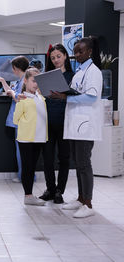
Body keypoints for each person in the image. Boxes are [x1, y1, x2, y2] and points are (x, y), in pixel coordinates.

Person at [51, 36, 103, 218]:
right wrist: (62, 94)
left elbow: (91, 97)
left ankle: (88, 204)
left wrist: (66, 98)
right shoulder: (79, 72)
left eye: (81, 51)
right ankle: (81, 198)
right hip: (75, 124)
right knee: (78, 163)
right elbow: (75, 92)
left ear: (89, 52)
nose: (77, 55)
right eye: (75, 52)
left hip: (86, 125)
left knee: (84, 164)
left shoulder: (93, 71)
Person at [39, 44, 74, 204]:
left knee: (64, 158)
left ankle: (60, 191)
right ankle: (50, 189)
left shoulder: (73, 76)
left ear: (65, 56)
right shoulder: (47, 76)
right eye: (53, 58)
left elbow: (74, 99)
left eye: (58, 56)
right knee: (47, 159)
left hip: (65, 122)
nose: (56, 60)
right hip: (48, 122)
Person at [13, 68, 47, 206]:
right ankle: (28, 196)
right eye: (33, 81)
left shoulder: (40, 97)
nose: (36, 84)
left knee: (32, 167)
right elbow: (16, 119)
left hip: (39, 138)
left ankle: (30, 195)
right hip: (26, 138)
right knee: (27, 167)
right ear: (25, 81)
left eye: (38, 81)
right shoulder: (23, 99)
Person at [0, 56, 29, 183]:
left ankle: (24, 176)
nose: (12, 71)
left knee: (22, 151)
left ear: (17, 68)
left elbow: (18, 98)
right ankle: (24, 175)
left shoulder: (25, 80)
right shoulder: (21, 80)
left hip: (22, 120)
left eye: (13, 68)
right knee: (21, 150)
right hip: (20, 120)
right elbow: (13, 92)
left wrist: (12, 93)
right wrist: (3, 82)